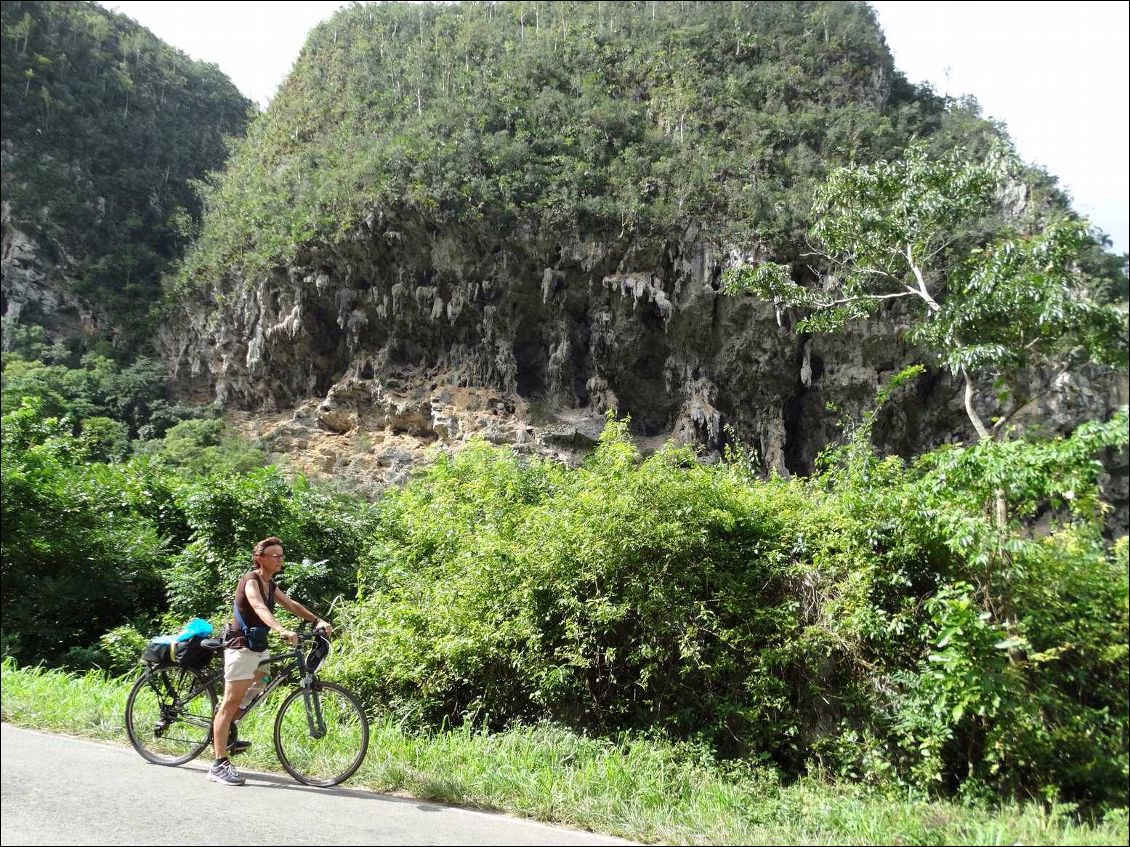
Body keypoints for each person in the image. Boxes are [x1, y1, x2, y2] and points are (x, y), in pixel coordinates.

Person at [208, 536, 332, 786]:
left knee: (259, 686)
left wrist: (316, 620)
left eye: (281, 555)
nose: (279, 559)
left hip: (258, 649)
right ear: (259, 558)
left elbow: (292, 605)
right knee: (230, 702)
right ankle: (219, 764)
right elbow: (259, 608)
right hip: (240, 648)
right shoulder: (251, 581)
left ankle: (226, 730)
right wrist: (280, 630)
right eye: (274, 555)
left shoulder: (270, 585)